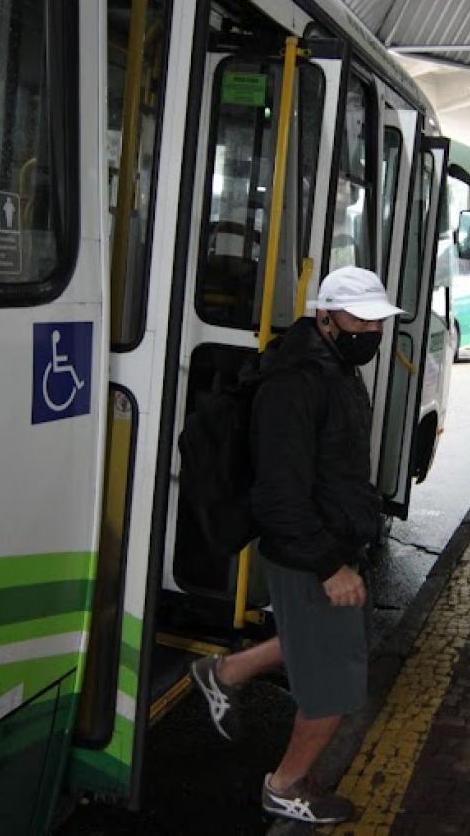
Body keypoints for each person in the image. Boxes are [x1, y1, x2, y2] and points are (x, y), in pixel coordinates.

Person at [188, 266, 403, 825]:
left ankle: (226, 674)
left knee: (322, 641)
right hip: (311, 552)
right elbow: (279, 495)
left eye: (378, 320)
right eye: (361, 318)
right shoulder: (295, 381)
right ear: (323, 316)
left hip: (329, 540)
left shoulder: (332, 364)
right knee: (334, 684)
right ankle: (283, 786)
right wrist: (330, 565)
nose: (372, 331)